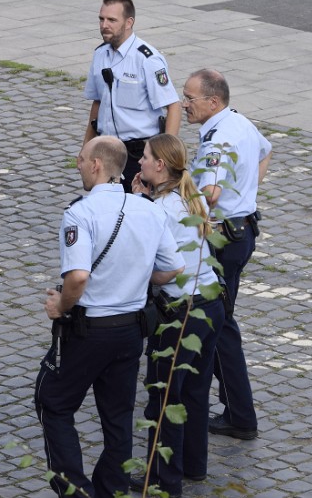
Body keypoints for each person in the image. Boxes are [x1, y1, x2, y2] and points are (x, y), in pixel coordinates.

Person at [34, 136, 184, 498]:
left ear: (97, 165)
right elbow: (173, 268)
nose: (78, 164)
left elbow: (78, 276)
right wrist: (133, 274)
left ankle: (77, 490)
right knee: (117, 421)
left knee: (52, 403)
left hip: (89, 330)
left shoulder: (80, 213)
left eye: (82, 158)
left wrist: (62, 306)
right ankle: (111, 489)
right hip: (131, 331)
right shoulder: (148, 210)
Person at [129, 134, 226, 498]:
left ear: (161, 166)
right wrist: (145, 198)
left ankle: (162, 481)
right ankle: (193, 467)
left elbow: (160, 264)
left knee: (163, 395)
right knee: (196, 390)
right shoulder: (191, 194)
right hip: (210, 303)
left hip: (180, 312)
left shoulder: (159, 208)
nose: (139, 162)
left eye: (145, 157)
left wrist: (142, 277)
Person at [183, 68, 272, 441]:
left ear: (213, 102)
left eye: (190, 98)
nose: (184, 104)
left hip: (224, 240)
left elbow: (210, 195)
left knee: (219, 328)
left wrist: (181, 209)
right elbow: (266, 153)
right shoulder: (239, 122)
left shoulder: (218, 139)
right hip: (243, 229)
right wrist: (246, 194)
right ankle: (238, 411)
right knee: (222, 325)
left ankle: (240, 415)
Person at [83, 0, 181, 193]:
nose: (104, 25)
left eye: (111, 20)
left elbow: (173, 106)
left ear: (129, 22)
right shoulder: (100, 54)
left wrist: (167, 158)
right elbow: (97, 103)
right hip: (106, 152)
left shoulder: (147, 60)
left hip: (137, 155)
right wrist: (86, 148)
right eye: (101, 19)